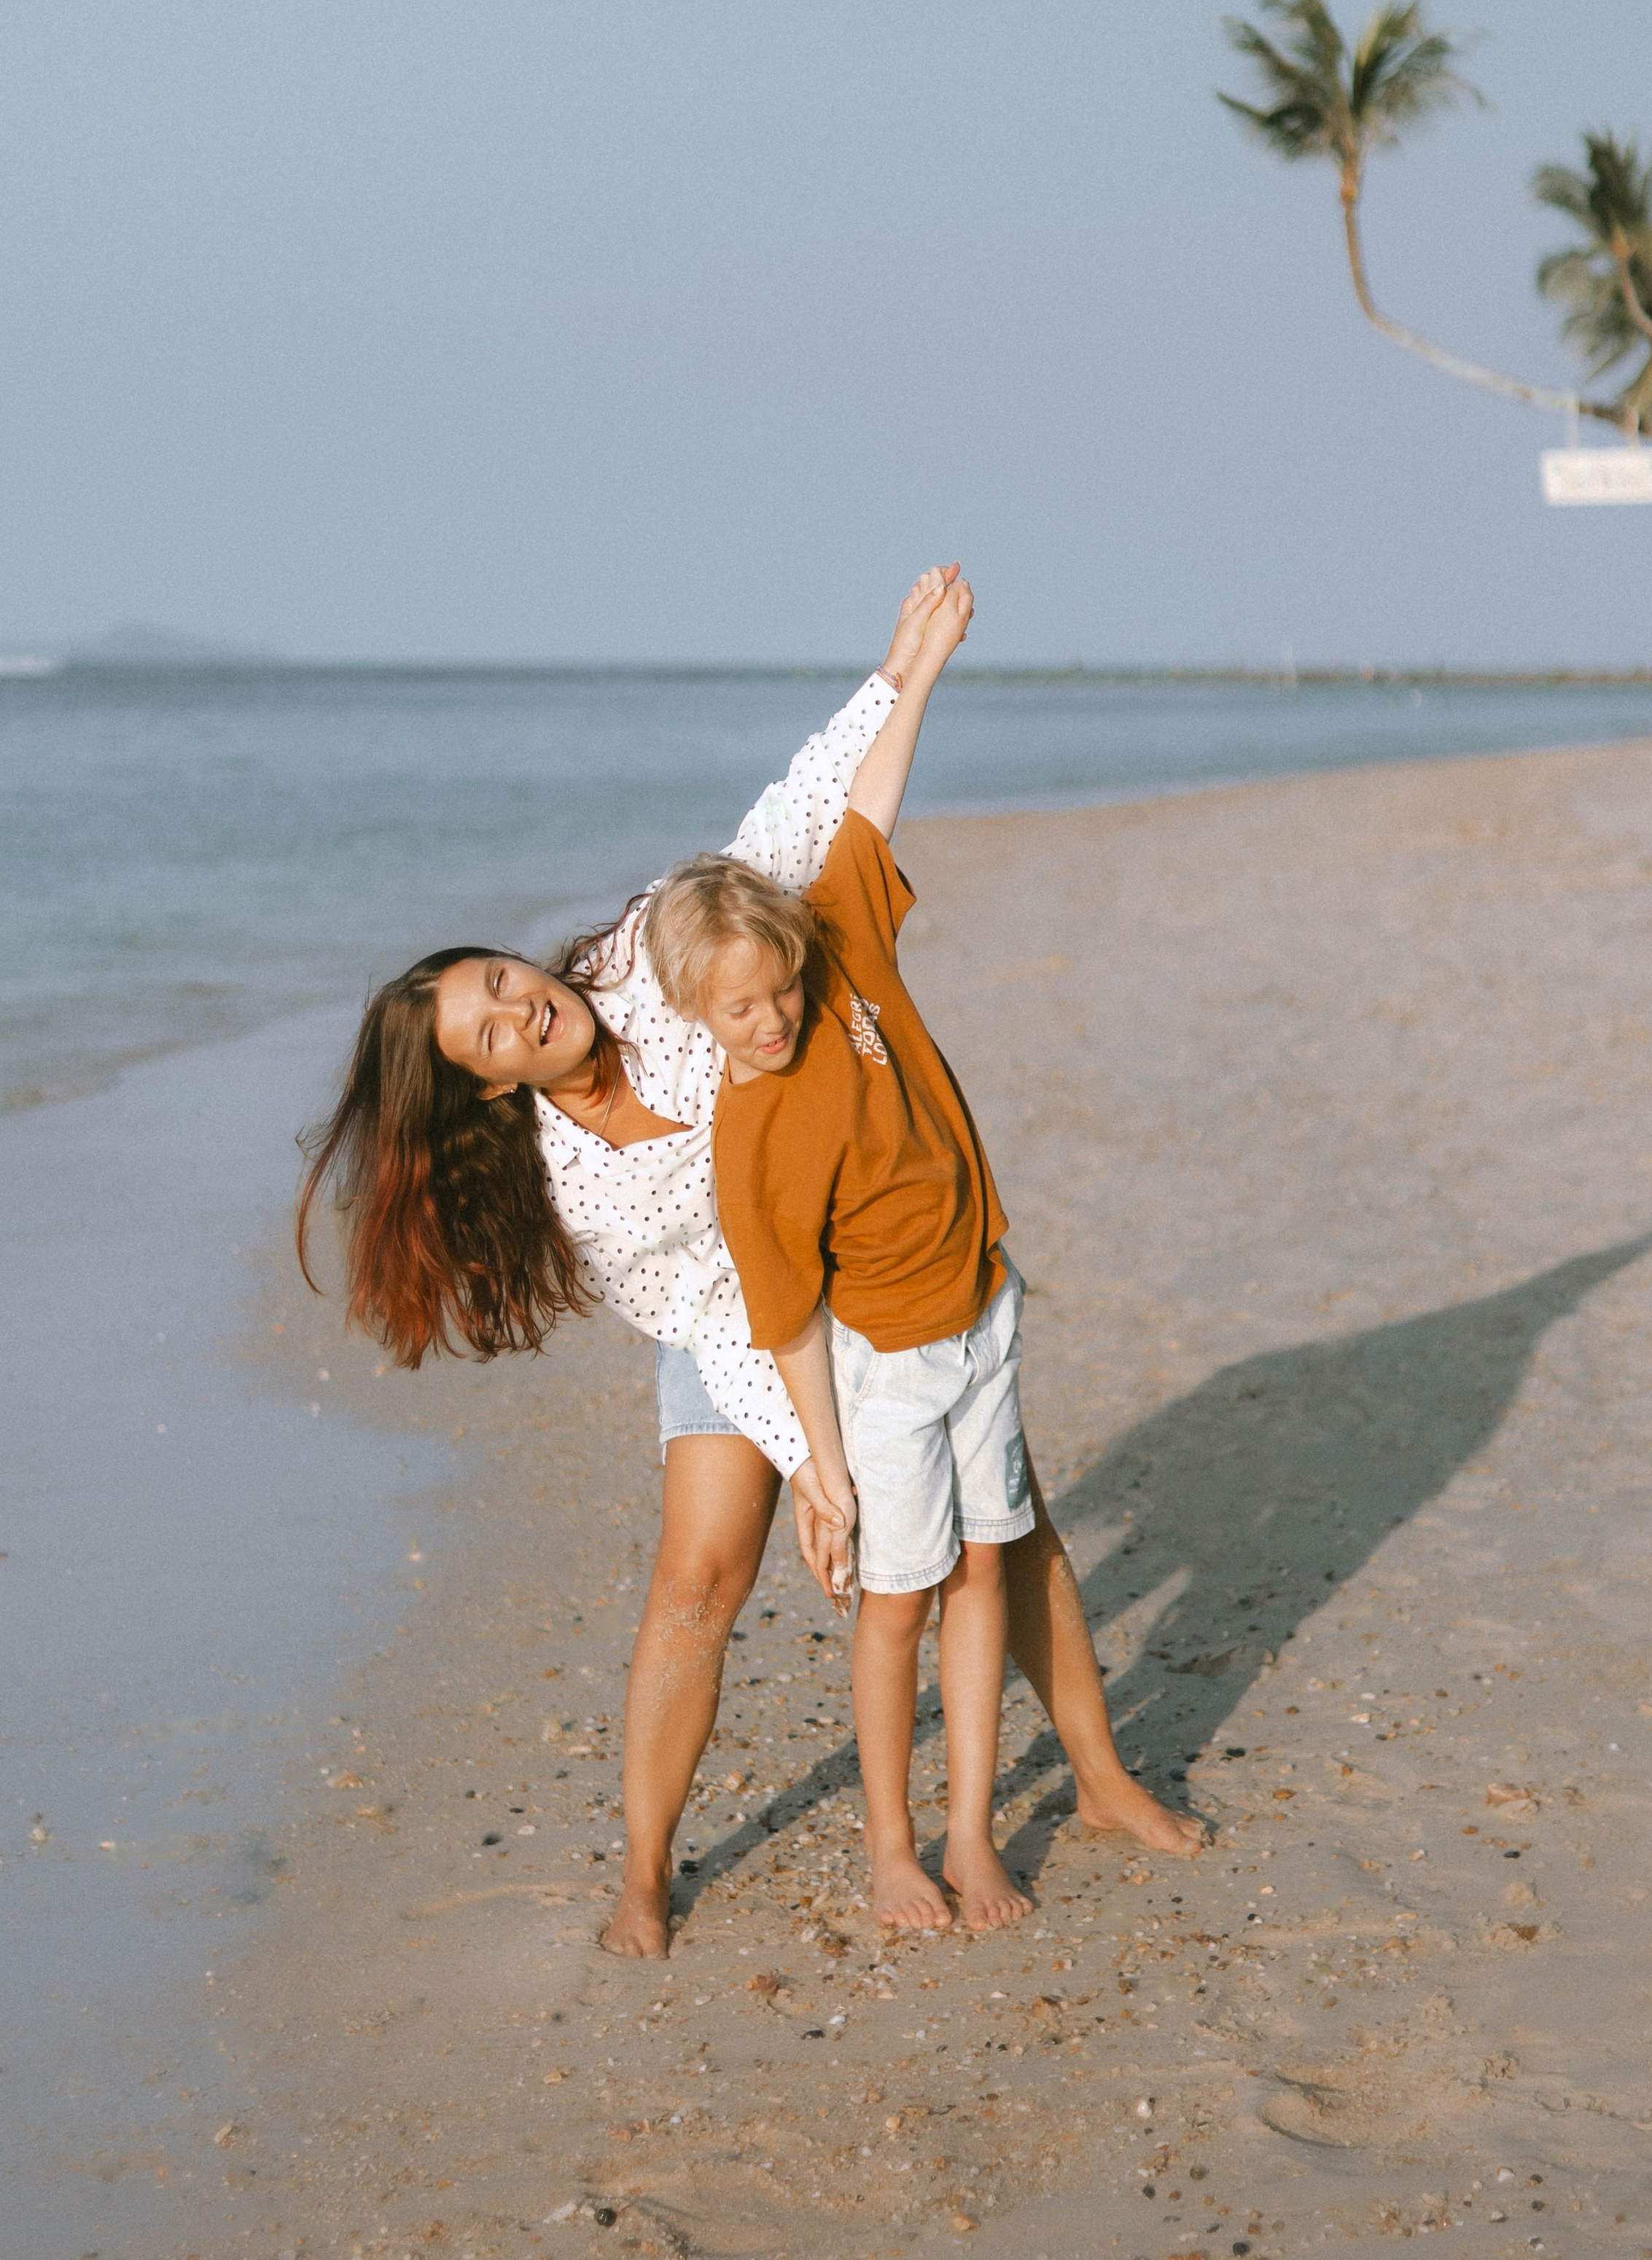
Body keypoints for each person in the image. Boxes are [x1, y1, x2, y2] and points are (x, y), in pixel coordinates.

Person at [298, 565, 1198, 1961]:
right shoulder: (571, 1187)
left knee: (1004, 1532)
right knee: (699, 1577)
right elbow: (713, 1305)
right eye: (489, 1032)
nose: (523, 1010)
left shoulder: (649, 958)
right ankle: (646, 1871)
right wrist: (815, 1463)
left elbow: (793, 821)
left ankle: (1098, 1773)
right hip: (738, 1325)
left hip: (858, 1272)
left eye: (502, 980)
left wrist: (899, 672)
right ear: (483, 1086)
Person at [643, 572, 1036, 1933]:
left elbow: (869, 804)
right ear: (698, 1011)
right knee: (899, 1601)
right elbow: (790, 1318)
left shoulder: (839, 942)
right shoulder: (749, 1135)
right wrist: (822, 1465)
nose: (771, 1018)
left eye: (780, 988)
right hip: (888, 1370)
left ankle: (973, 1834)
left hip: (984, 1307)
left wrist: (920, 663)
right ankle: (891, 1847)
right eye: (739, 1009)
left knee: (985, 1570)